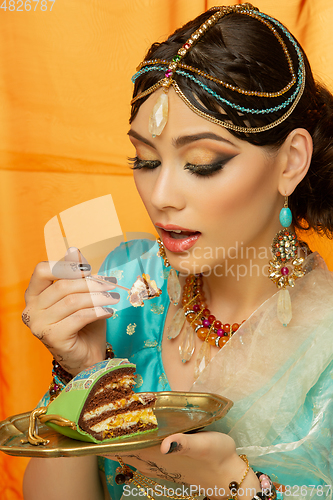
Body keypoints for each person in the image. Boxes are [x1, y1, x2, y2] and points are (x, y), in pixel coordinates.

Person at [22, 3, 333, 500]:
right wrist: (79, 376)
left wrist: (237, 488)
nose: (161, 195)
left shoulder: (326, 342)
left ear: (291, 162)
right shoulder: (127, 289)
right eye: (144, 160)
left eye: (203, 162)